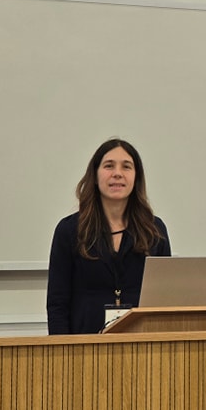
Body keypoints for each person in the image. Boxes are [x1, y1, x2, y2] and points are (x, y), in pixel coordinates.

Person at [46, 138, 171, 334]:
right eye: (109, 166)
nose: (117, 173)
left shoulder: (154, 230)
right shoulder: (69, 230)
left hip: (141, 343)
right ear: (95, 176)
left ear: (136, 177)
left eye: (126, 167)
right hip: (84, 344)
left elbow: (164, 301)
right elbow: (57, 303)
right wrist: (62, 349)